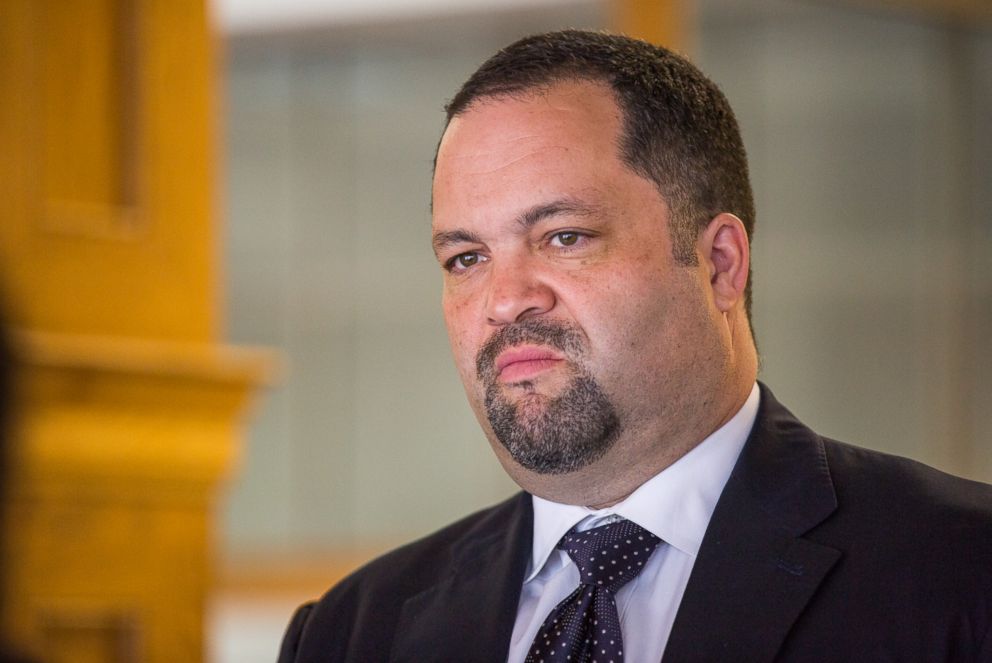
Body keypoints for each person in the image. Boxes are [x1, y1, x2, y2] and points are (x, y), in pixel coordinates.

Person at [278, 30, 992, 663]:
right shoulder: (350, 632)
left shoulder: (964, 573)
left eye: (564, 237)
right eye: (466, 257)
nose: (503, 300)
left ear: (719, 263)